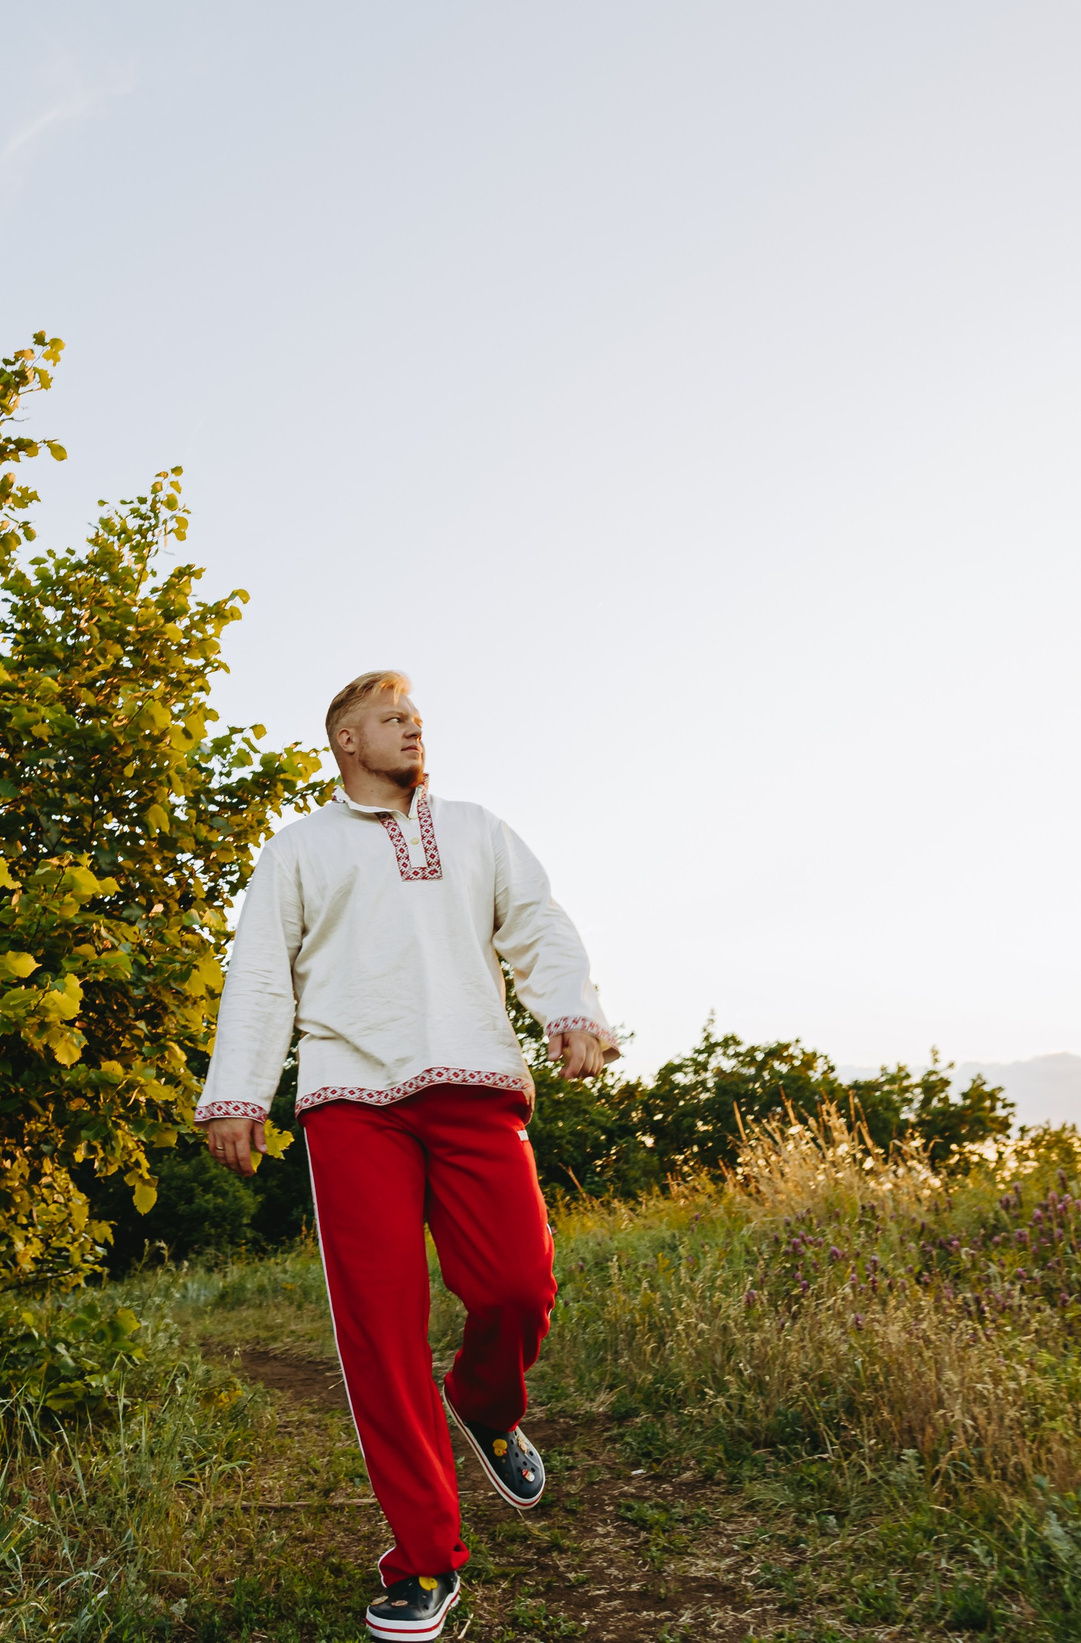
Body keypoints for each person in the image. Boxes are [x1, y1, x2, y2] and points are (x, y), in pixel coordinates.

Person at [196, 669, 616, 1642]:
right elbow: (259, 972)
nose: (412, 727)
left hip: (474, 1086)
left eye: (416, 716)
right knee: (379, 1336)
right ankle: (424, 1559)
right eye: (391, 717)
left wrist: (569, 1008)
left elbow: (539, 925)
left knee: (516, 1287)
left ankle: (484, 1399)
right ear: (346, 740)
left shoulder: (475, 830)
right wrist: (239, 1091)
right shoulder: (298, 850)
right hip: (352, 1107)